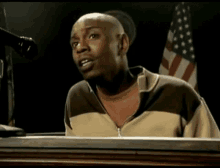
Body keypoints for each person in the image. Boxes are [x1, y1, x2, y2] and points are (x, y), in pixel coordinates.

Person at [64, 10, 220, 137]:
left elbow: (213, 156)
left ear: (122, 44)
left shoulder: (177, 94)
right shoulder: (77, 98)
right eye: (74, 43)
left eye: (93, 36)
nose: (80, 48)